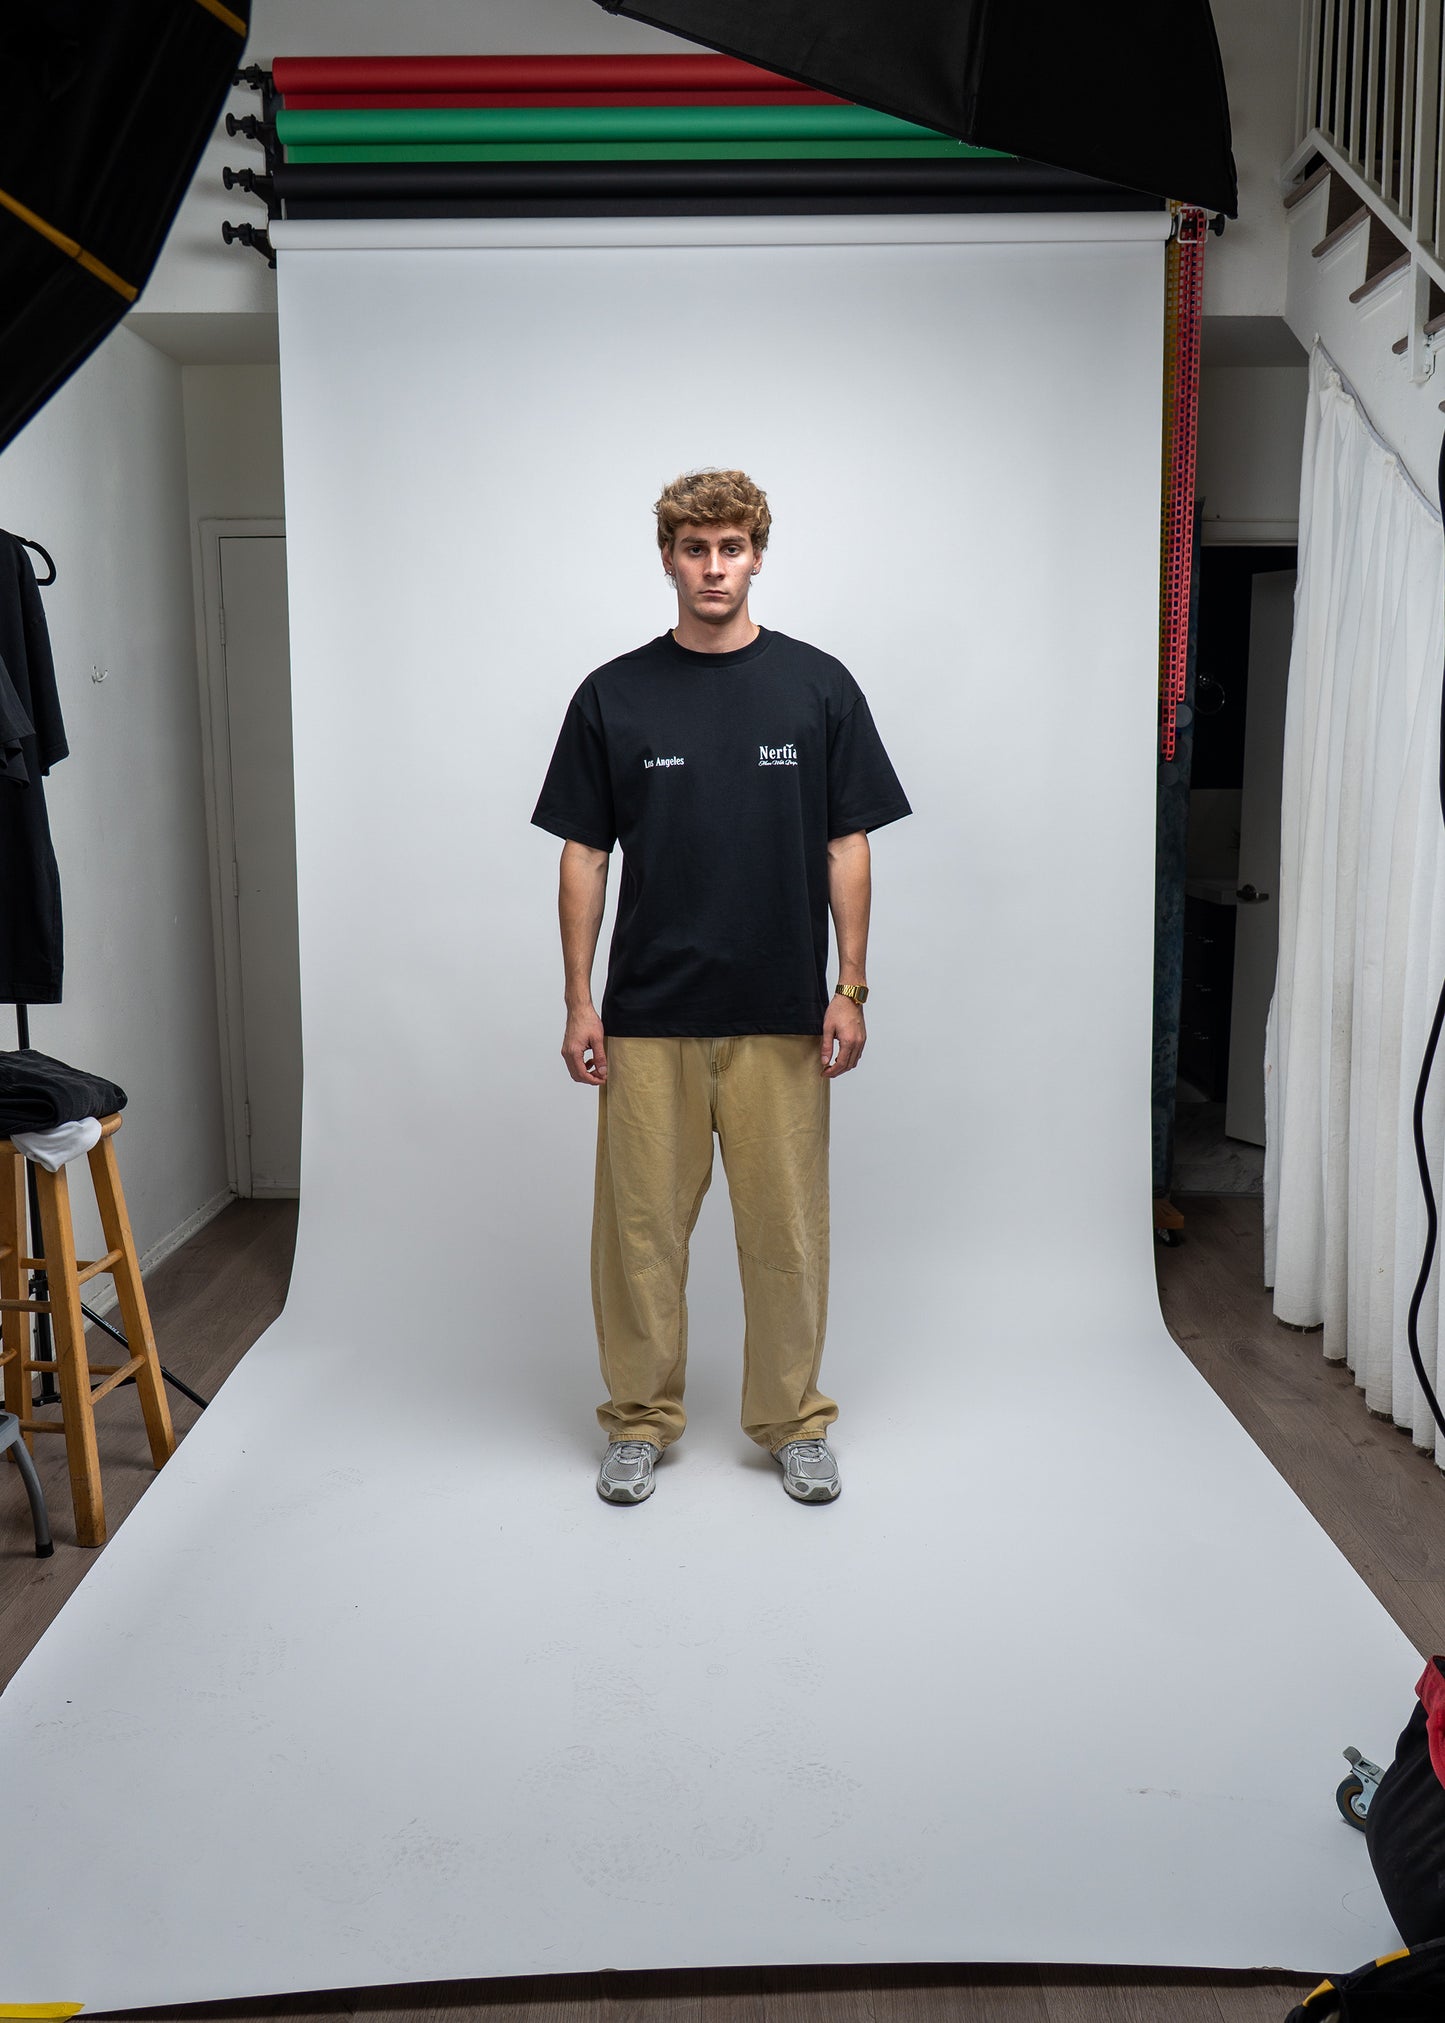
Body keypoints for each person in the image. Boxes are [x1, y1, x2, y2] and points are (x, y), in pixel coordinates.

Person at [530, 468, 911, 1507]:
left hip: (782, 1015)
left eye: (730, 548)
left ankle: (792, 1422)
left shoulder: (816, 687)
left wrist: (850, 987)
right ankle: (638, 1420)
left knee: (785, 1235)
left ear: (756, 556)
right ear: (666, 557)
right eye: (693, 548)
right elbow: (582, 855)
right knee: (638, 1240)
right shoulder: (613, 694)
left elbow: (846, 844)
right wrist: (578, 1001)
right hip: (647, 1017)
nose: (712, 567)